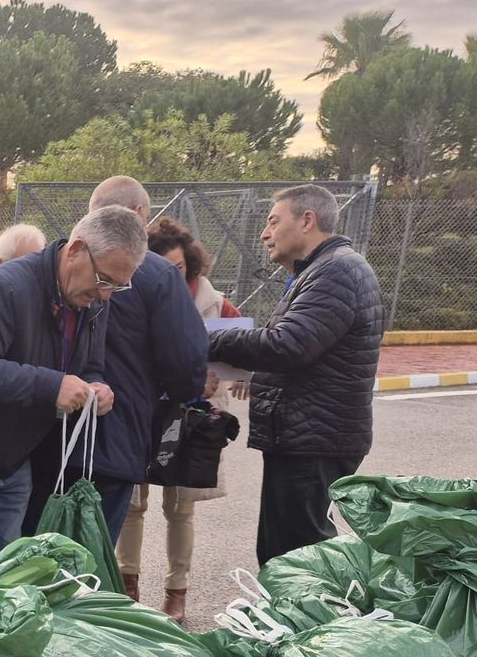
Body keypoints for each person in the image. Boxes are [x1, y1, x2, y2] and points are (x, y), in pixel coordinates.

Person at [0, 206, 142, 576]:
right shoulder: (7, 286)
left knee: (9, 575)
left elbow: (89, 364)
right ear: (76, 250)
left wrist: (97, 387)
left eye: (118, 286)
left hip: (16, 458)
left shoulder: (91, 302)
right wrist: (52, 385)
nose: (106, 295)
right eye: (104, 280)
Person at [209, 184, 384, 565]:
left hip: (315, 439)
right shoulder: (321, 270)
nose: (265, 234)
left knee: (297, 558)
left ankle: (318, 607)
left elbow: (288, 344)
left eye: (273, 221)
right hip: (308, 435)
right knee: (283, 552)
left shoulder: (336, 271)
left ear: (307, 220)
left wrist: (210, 340)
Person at [48, 176, 207, 543]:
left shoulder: (58, 263)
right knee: (90, 555)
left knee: (38, 550)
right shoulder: (158, 274)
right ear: (136, 213)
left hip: (49, 435)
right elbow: (186, 366)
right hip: (116, 439)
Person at [118, 217, 241, 621]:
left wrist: (238, 377)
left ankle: (177, 591)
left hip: (191, 418)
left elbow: (242, 347)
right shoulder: (132, 292)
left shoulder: (214, 301)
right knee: (132, 504)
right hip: (145, 411)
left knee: (181, 509)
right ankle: (127, 585)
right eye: (163, 266)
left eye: (180, 267)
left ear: (190, 262)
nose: (173, 274)